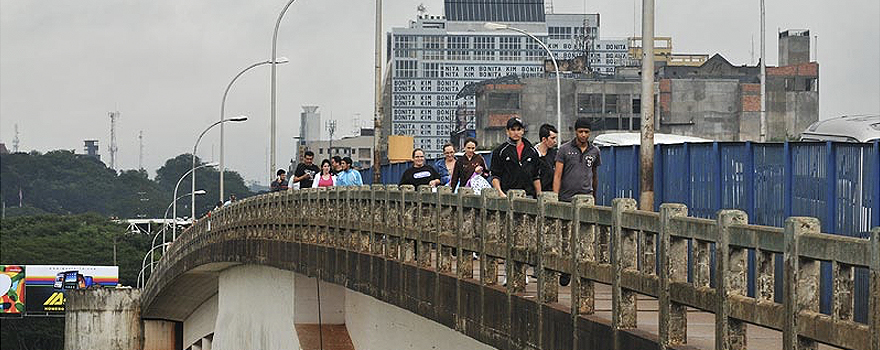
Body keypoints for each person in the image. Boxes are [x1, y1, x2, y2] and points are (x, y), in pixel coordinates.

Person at [489, 117, 541, 198]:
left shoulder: (532, 151)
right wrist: (500, 193)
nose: (516, 132)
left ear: (523, 131)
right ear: (507, 131)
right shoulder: (500, 151)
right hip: (508, 194)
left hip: (528, 195)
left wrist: (539, 195)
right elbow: (495, 176)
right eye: (513, 130)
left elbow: (536, 176)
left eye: (518, 129)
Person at [553, 117, 601, 202]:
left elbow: (594, 175)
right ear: (576, 132)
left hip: (586, 198)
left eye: (586, 132)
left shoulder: (595, 151)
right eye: (580, 131)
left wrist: (594, 196)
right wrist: (555, 198)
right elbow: (557, 175)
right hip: (566, 198)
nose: (583, 135)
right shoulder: (564, 149)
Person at [535, 124, 559, 193]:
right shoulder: (532, 155)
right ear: (544, 139)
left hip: (552, 193)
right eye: (552, 138)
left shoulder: (556, 154)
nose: (555, 141)